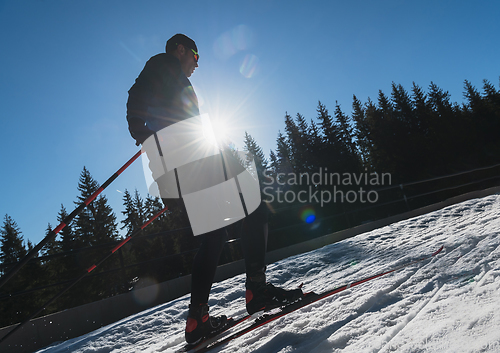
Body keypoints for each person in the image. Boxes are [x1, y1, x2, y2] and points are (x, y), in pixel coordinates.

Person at [126, 33, 302, 345]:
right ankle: (257, 292)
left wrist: (149, 136)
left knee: (214, 234)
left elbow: (155, 114)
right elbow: (137, 106)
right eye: (195, 55)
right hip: (191, 162)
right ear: (181, 50)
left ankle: (197, 319)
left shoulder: (166, 77)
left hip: (183, 166)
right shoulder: (165, 65)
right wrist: (148, 134)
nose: (197, 63)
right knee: (256, 208)